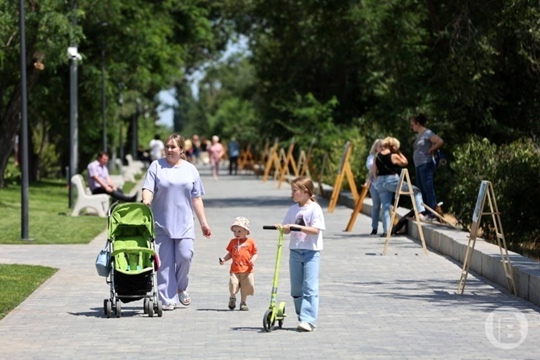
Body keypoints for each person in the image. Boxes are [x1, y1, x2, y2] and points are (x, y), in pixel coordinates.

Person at [141, 134, 212, 311]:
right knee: (164, 262)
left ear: (181, 149)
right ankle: (167, 298)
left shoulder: (190, 170)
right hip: (161, 223)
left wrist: (203, 222)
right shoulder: (156, 166)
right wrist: (146, 201)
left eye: (173, 147)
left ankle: (181, 287)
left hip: (185, 223)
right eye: (167, 146)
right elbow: (147, 188)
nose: (169, 150)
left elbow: (196, 198)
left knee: (185, 256)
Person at [275, 176, 325, 332]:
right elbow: (287, 227)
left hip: (311, 252)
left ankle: (308, 320)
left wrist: (297, 227)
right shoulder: (293, 209)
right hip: (295, 251)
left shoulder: (315, 208)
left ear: (305, 192)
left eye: (295, 190)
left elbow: (316, 230)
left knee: (309, 287)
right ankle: (301, 315)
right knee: (296, 288)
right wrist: (282, 228)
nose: (292, 193)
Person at [372, 137, 427, 237]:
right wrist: (399, 152)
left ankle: (386, 231)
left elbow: (374, 171)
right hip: (392, 181)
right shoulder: (393, 156)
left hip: (380, 182)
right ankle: (420, 212)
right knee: (416, 190)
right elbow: (405, 162)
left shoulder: (377, 156)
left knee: (385, 207)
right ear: (394, 147)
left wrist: (377, 182)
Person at [219, 217, 258, 311]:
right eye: (235, 231)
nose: (236, 233)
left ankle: (243, 302)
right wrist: (224, 259)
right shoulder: (232, 242)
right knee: (233, 284)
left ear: (246, 231)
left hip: (247, 269)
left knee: (246, 286)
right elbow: (230, 254)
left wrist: (253, 260)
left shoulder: (250, 242)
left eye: (239, 231)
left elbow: (255, 253)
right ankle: (232, 297)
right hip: (235, 269)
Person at [410, 114, 444, 220]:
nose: (412, 127)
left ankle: (432, 212)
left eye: (412, 124)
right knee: (421, 189)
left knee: (427, 188)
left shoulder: (427, 133)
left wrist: (430, 150)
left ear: (418, 123)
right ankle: (424, 211)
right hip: (419, 165)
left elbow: (440, 141)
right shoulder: (419, 135)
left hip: (425, 164)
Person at [366, 139, 384, 235]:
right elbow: (369, 165)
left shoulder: (387, 156)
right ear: (376, 147)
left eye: (384, 146)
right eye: (380, 146)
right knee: (376, 206)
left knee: (386, 206)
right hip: (374, 183)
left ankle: (387, 228)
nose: (382, 148)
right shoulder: (372, 157)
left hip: (385, 183)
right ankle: (374, 227)